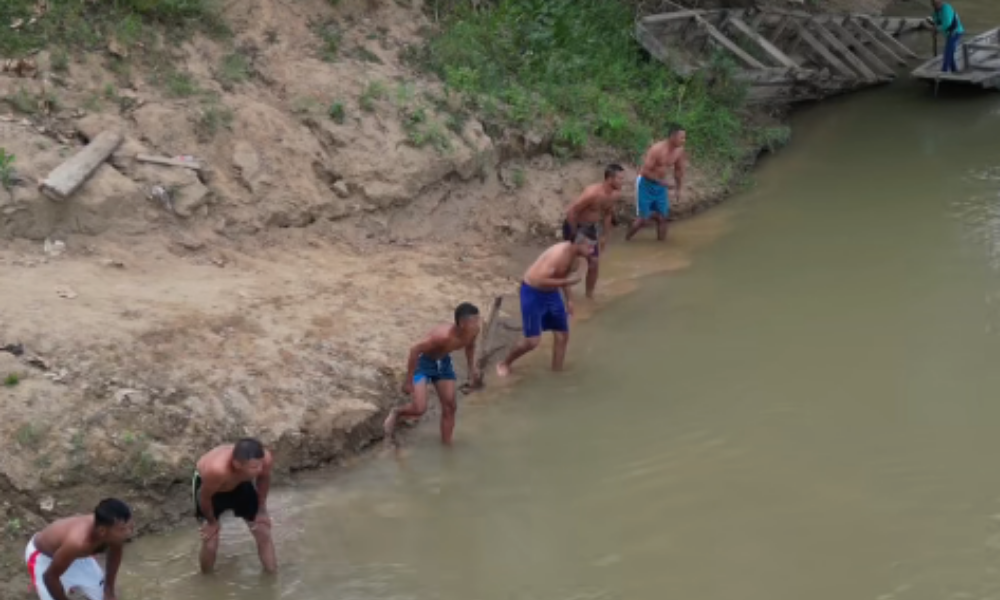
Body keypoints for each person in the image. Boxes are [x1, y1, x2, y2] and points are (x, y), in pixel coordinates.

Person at [496, 230, 594, 377]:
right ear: (578, 243)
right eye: (590, 246)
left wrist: (569, 300)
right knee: (532, 341)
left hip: (551, 293)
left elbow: (562, 275)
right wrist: (566, 282)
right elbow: (537, 280)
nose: (592, 250)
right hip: (532, 291)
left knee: (562, 335)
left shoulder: (575, 259)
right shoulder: (559, 254)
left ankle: (557, 373)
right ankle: (505, 363)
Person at [383, 302, 482, 446]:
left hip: (442, 362)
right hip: (423, 363)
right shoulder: (442, 336)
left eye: (477, 319)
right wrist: (408, 380)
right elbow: (414, 350)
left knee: (450, 406)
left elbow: (470, 347)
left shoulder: (474, 331)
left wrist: (471, 369)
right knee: (420, 408)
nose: (477, 324)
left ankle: (447, 445)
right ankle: (397, 412)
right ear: (462, 323)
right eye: (474, 321)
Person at [193, 438, 276, 574]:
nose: (260, 469)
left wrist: (262, 510)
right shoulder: (217, 470)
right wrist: (212, 522)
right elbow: (204, 496)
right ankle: (206, 580)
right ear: (237, 464)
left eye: (261, 465)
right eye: (254, 467)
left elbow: (264, 478)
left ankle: (272, 577)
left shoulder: (264, 459)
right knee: (210, 541)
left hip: (241, 484)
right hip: (211, 492)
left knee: (263, 531)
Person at [25, 498, 133, 600]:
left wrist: (109, 589)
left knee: (104, 597)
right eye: (122, 529)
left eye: (130, 526)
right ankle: (41, 586)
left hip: (75, 556)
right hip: (44, 558)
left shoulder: (113, 532)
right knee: (54, 588)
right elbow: (49, 577)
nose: (128, 532)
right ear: (102, 531)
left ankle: (70, 584)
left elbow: (115, 553)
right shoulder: (78, 542)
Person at [562, 164, 625, 299]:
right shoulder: (593, 193)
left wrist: (605, 236)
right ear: (609, 179)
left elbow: (608, 214)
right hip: (575, 225)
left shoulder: (616, 194)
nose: (623, 182)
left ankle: (589, 296)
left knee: (594, 262)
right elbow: (572, 212)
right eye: (620, 179)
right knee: (572, 265)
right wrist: (574, 236)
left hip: (590, 228)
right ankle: (561, 290)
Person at [626, 125, 688, 242]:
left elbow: (678, 171)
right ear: (673, 136)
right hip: (645, 184)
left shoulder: (679, 151)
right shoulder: (657, 149)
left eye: (684, 138)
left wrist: (678, 189)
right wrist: (662, 183)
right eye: (681, 138)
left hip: (660, 186)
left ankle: (661, 246)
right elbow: (644, 171)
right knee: (643, 219)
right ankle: (626, 240)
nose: (684, 141)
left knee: (662, 218)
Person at [930, 0, 964, 73]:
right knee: (950, 53)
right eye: (934, 3)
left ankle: (943, 71)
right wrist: (934, 29)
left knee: (947, 53)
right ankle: (954, 70)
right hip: (949, 34)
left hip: (956, 32)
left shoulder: (946, 8)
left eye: (938, 3)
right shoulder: (936, 12)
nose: (936, 5)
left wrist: (937, 28)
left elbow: (947, 24)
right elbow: (936, 22)